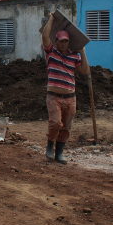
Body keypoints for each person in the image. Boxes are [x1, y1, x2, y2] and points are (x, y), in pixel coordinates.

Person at [42, 13, 89, 164]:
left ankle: (59, 153)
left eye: (66, 41)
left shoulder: (74, 56)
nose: (63, 44)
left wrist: (83, 52)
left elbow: (84, 70)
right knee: (56, 123)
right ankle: (50, 144)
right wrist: (51, 19)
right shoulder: (51, 53)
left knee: (66, 127)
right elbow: (44, 36)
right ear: (56, 41)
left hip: (70, 98)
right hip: (54, 96)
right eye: (61, 41)